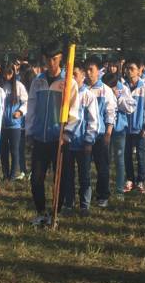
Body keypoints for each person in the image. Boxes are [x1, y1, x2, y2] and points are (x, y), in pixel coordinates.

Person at [26, 42, 79, 227]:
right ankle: (41, 212)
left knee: (60, 179)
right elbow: (31, 106)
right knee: (36, 179)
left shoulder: (68, 82)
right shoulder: (37, 81)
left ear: (61, 58)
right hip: (40, 137)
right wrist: (29, 131)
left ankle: (56, 213)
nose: (51, 63)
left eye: (55, 59)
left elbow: (74, 110)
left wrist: (66, 135)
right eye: (48, 59)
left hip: (59, 139)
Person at [60, 66, 99, 215]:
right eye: (69, 75)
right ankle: (69, 203)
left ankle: (84, 205)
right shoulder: (65, 95)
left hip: (82, 144)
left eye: (75, 74)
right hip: (68, 143)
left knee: (84, 175)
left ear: (82, 76)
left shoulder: (88, 96)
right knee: (68, 175)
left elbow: (93, 120)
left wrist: (89, 140)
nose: (72, 78)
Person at [83, 58, 116, 208]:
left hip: (100, 134)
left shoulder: (105, 90)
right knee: (84, 168)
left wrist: (108, 133)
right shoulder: (81, 89)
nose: (88, 73)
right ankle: (85, 197)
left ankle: (102, 195)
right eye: (86, 70)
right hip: (82, 134)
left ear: (98, 71)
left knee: (102, 166)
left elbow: (110, 113)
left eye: (91, 69)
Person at [123, 59, 145, 194]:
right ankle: (130, 179)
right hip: (125, 128)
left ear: (139, 70)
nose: (129, 71)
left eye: (132, 68)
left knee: (141, 155)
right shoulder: (122, 87)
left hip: (139, 128)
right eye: (127, 68)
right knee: (127, 155)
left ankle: (141, 180)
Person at [0, 63, 28, 181]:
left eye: (9, 73)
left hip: (15, 124)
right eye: (5, 73)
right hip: (2, 124)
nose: (7, 76)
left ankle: (13, 174)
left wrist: (20, 112)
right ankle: (5, 173)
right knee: (3, 150)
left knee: (14, 150)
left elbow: (26, 102)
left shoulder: (19, 86)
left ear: (13, 73)